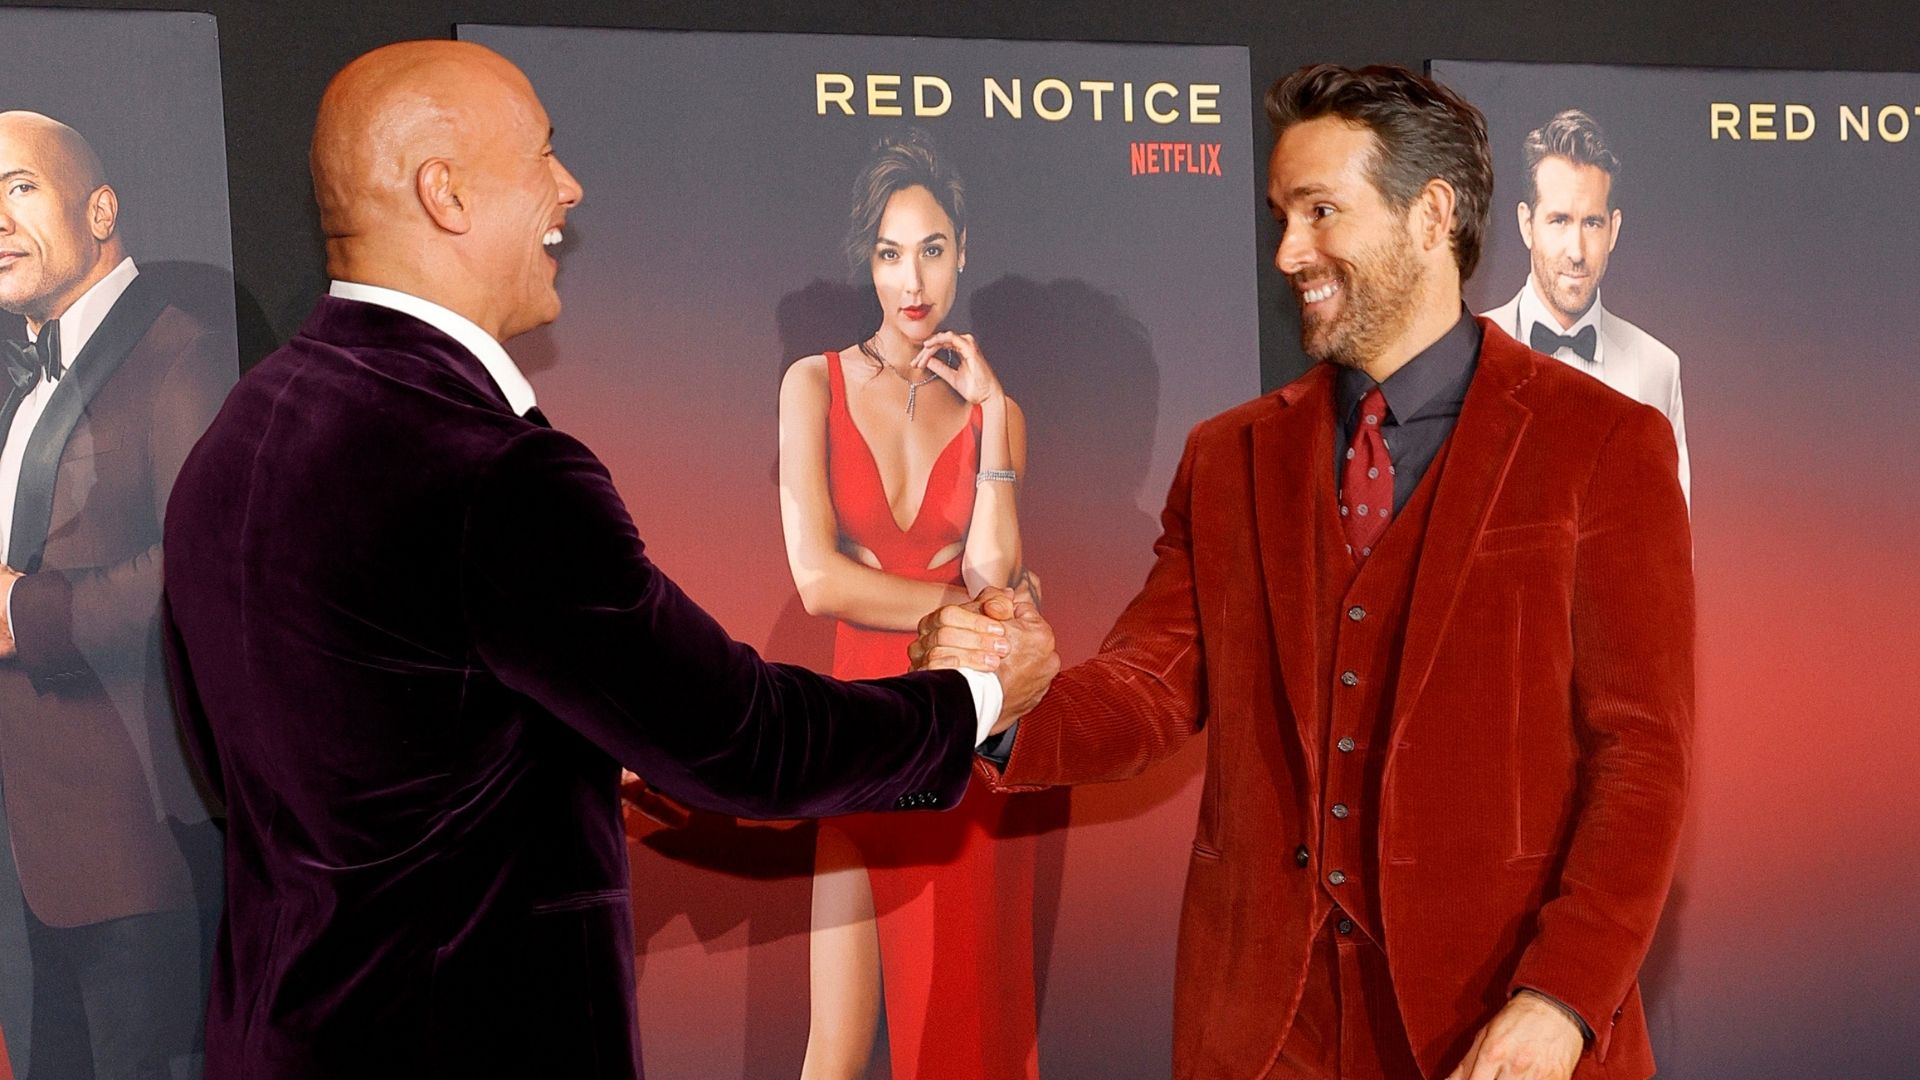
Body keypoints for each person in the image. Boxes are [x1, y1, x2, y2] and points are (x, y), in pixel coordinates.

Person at [159, 41, 1056, 1080]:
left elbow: (317, 759)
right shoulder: (493, 472)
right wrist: (980, 696)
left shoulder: (234, 442)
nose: (571, 189)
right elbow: (747, 743)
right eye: (544, 154)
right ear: (443, 193)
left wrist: (559, 752)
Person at [915, 64, 1693, 1080]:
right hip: (1265, 1033)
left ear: (1432, 214)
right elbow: (1150, 686)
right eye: (1282, 215)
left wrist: (1560, 1000)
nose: (1289, 251)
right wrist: (1002, 699)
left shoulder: (1604, 445)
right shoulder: (1229, 457)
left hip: (1498, 1027)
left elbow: (1642, 763)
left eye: (1322, 211)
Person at [778, 129, 1038, 1080]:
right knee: (835, 1044)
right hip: (858, 724)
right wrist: (963, 608)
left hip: (956, 727)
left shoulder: (990, 409)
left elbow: (996, 570)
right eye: (891, 253)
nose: (912, 279)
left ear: (961, 249)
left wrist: (995, 413)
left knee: (956, 1037)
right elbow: (819, 581)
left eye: (931, 249)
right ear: (869, 262)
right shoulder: (812, 382)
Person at [0, 110, 230, 1080]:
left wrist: (21, 613)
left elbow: (206, 570)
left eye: (19, 189)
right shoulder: (29, 374)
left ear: (100, 208)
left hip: (141, 859)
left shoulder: (183, 352)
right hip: (33, 860)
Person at [1482, 109, 1690, 500]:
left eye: (1591, 223)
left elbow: (1675, 543)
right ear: (1527, 224)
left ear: (1614, 229)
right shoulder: (1468, 356)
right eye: (1559, 221)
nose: (1576, 251)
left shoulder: (1658, 367)